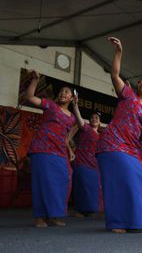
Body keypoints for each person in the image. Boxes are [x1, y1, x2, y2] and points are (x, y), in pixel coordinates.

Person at [96, 37, 142, 233]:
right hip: (113, 142)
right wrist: (118, 52)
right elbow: (115, 74)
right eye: (141, 81)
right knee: (118, 181)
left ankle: (136, 220)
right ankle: (117, 222)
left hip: (130, 147)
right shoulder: (128, 95)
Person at [25, 70, 76, 227]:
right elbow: (29, 98)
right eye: (61, 91)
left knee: (63, 179)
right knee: (42, 182)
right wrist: (35, 80)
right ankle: (40, 217)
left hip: (60, 150)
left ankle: (54, 215)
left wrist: (70, 150)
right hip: (42, 148)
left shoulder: (72, 117)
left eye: (66, 92)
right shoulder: (50, 104)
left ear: (72, 98)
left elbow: (67, 137)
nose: (62, 93)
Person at [70, 92, 103, 216]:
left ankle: (90, 209)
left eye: (97, 118)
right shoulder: (86, 128)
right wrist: (75, 106)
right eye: (92, 118)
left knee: (93, 186)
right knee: (81, 184)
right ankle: (79, 209)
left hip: (94, 164)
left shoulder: (101, 136)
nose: (94, 119)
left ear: (99, 123)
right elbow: (78, 117)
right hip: (82, 160)